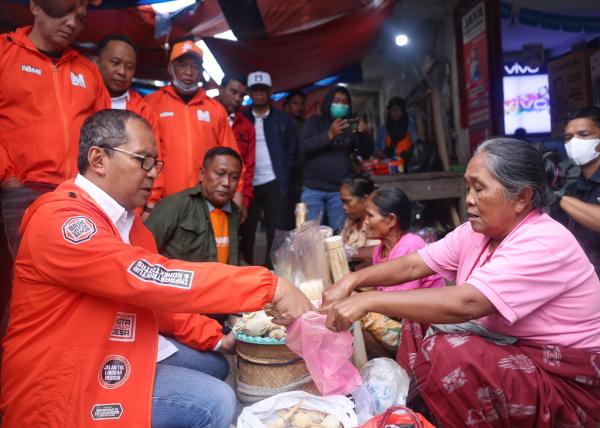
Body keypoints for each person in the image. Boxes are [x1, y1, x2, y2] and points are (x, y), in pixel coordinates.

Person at [0, 109, 311, 427]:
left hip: (111, 345)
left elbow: (156, 299)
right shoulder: (63, 221)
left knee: (216, 363)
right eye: (142, 161)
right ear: (98, 159)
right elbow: (153, 279)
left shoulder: (132, 226)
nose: (153, 174)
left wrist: (216, 337)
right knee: (217, 400)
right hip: (63, 380)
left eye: (156, 164)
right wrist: (269, 286)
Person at [322, 138, 600, 427]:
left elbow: (467, 303)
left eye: (479, 189)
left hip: (564, 381)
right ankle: (420, 410)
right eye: (468, 187)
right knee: (418, 319)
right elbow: (416, 263)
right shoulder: (477, 232)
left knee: (451, 352)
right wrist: (352, 280)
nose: (469, 198)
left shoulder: (543, 241)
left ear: (522, 197)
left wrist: (366, 300)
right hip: (514, 347)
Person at [0, 0, 110, 258]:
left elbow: (106, 133)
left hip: (77, 194)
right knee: (25, 280)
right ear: (36, 7)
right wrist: (8, 180)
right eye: (64, 13)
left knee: (74, 281)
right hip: (20, 192)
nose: (72, 23)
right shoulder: (4, 53)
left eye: (80, 18)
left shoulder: (88, 70)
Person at [144, 40, 243, 205]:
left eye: (195, 66)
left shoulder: (216, 109)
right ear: (170, 68)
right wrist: (150, 200)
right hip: (163, 202)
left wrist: (238, 189)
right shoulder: (151, 104)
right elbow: (144, 156)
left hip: (206, 201)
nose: (188, 72)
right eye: (182, 65)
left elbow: (231, 154)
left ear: (201, 71)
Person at [95, 34, 163, 210]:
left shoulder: (143, 110)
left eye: (129, 66)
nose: (122, 72)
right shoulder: (81, 98)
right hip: (84, 193)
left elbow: (154, 158)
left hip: (127, 203)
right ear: (97, 62)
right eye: (115, 63)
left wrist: (150, 202)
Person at [146, 147, 243, 265]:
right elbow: (142, 254)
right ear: (202, 174)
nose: (226, 183)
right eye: (220, 174)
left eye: (234, 177)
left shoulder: (235, 213)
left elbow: (235, 260)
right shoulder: (175, 206)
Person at [240, 71, 298, 267]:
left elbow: (292, 149)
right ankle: (247, 270)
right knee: (247, 230)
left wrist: (284, 172)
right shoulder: (242, 118)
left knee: (276, 231)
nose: (259, 95)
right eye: (255, 91)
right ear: (249, 93)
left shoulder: (283, 119)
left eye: (263, 91)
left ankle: (272, 271)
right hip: (249, 184)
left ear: (269, 92)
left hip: (275, 182)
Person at [301, 85, 373, 232]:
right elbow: (304, 147)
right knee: (310, 234)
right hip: (313, 189)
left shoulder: (350, 125)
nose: (341, 104)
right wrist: (329, 135)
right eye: (337, 100)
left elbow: (365, 153)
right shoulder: (314, 122)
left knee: (340, 234)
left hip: (340, 192)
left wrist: (364, 133)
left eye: (345, 101)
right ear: (328, 102)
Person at [554, 107, 600, 275]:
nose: (574, 142)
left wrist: (559, 198)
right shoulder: (572, 189)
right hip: (583, 281)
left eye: (584, 135)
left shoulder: (565, 197)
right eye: (568, 138)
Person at [216, 75, 255, 222]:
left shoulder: (247, 127)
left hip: (233, 195)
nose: (238, 98)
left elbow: (249, 166)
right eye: (233, 92)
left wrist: (244, 201)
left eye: (242, 95)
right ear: (221, 89)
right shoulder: (205, 116)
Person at [339, 175, 378, 264]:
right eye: (342, 202)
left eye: (348, 202)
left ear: (365, 199)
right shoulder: (350, 222)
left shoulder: (375, 221)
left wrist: (346, 253)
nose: (344, 207)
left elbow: (379, 252)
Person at [283, 89, 307, 227]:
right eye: (295, 103)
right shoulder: (282, 124)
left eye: (302, 103)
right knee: (288, 218)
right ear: (287, 105)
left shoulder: (308, 124)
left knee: (302, 217)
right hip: (287, 178)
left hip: (304, 177)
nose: (298, 107)